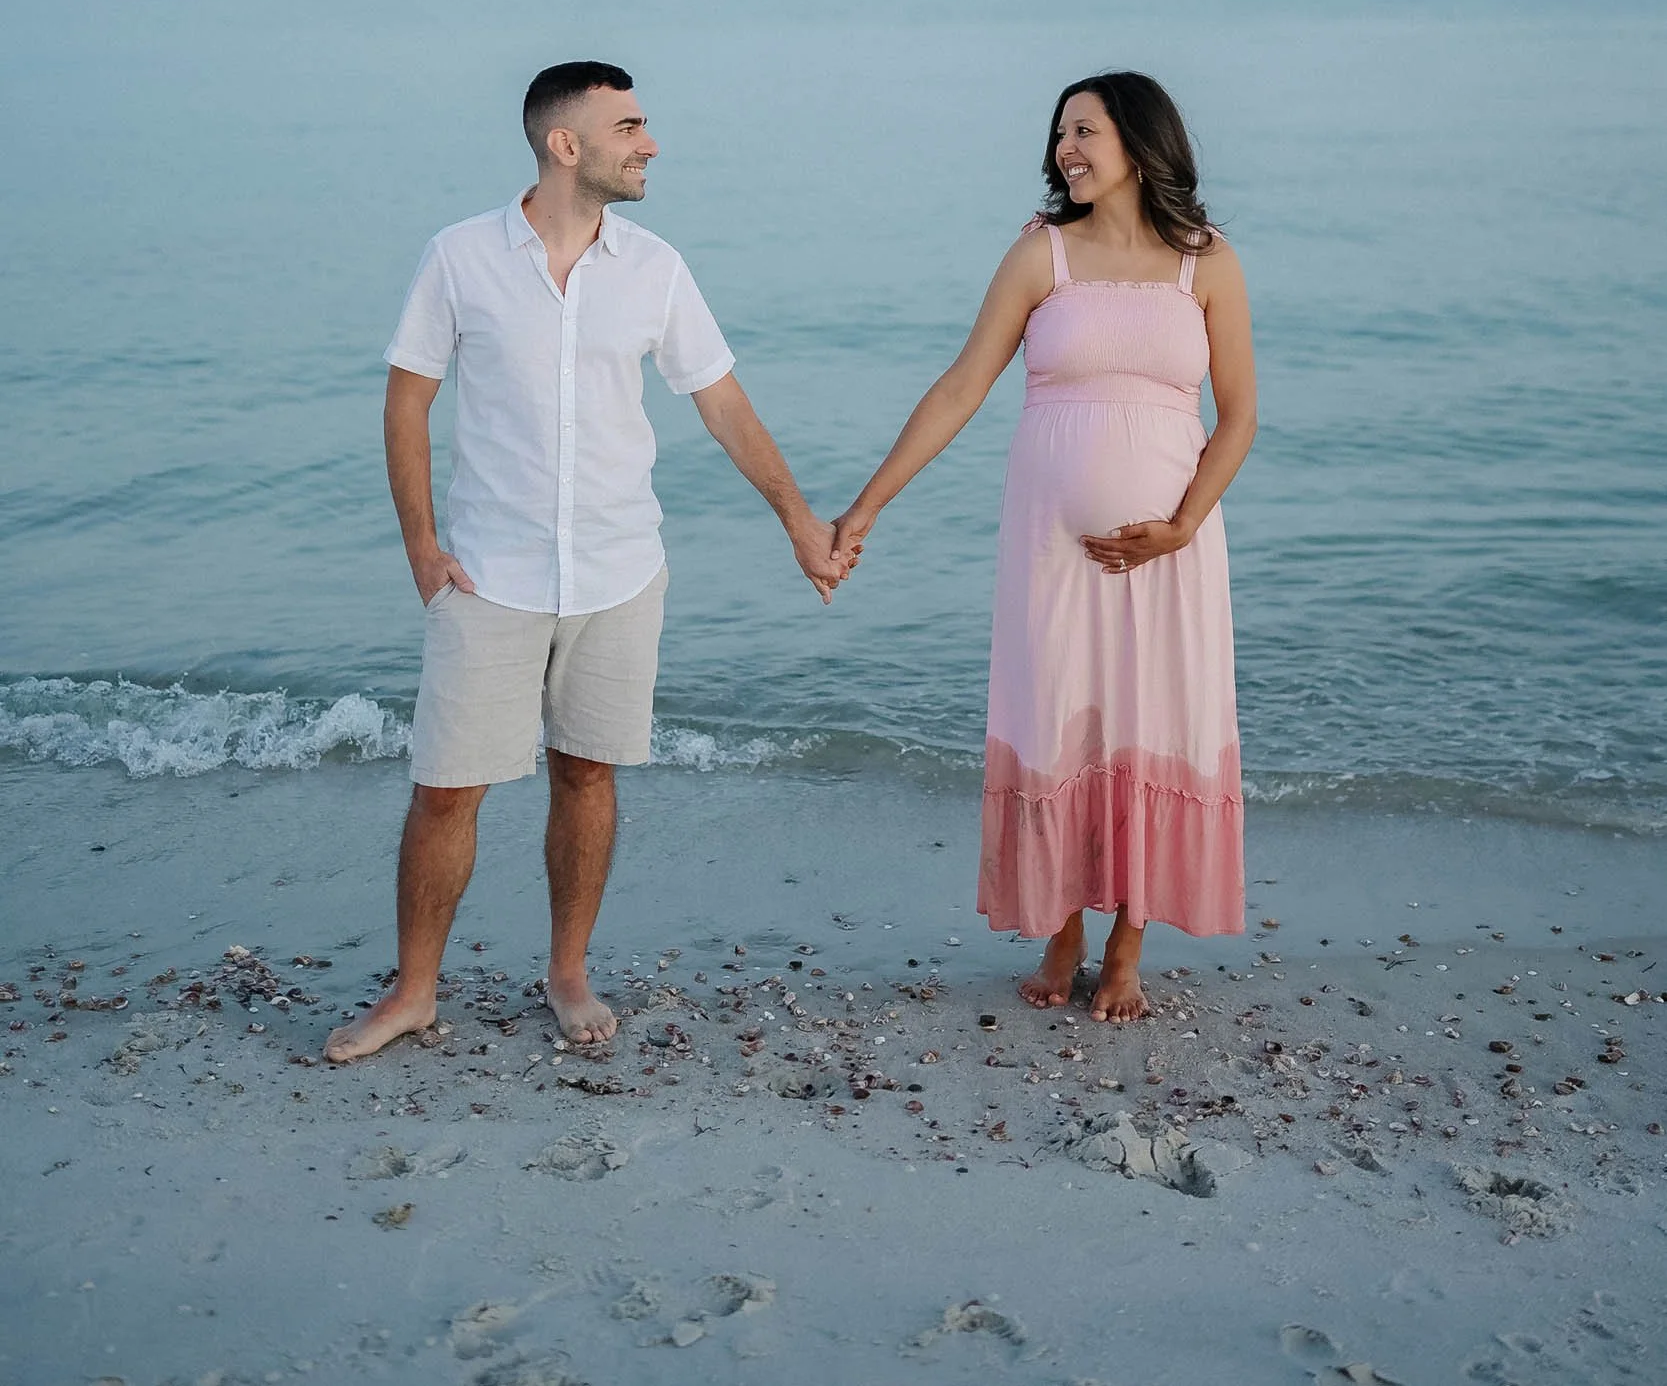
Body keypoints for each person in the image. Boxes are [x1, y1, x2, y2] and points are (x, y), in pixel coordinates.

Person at [325, 61, 847, 1065]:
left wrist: (796, 519)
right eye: (630, 125)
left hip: (618, 570)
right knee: (446, 789)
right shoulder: (459, 257)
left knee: (587, 775)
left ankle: (567, 971)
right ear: (567, 144)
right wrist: (419, 544)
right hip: (488, 574)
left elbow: (722, 403)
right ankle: (415, 989)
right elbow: (406, 398)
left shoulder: (655, 268)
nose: (649, 143)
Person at [834, 72, 1255, 1023]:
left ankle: (1127, 947)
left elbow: (1239, 417)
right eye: (1061, 132)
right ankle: (1062, 927)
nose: (1066, 148)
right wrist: (867, 506)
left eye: (1085, 131)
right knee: (1062, 717)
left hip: (1172, 552)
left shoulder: (1207, 263)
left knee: (1153, 721)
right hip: (1052, 553)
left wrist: (1183, 524)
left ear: (1142, 146)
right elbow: (958, 388)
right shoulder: (1041, 256)